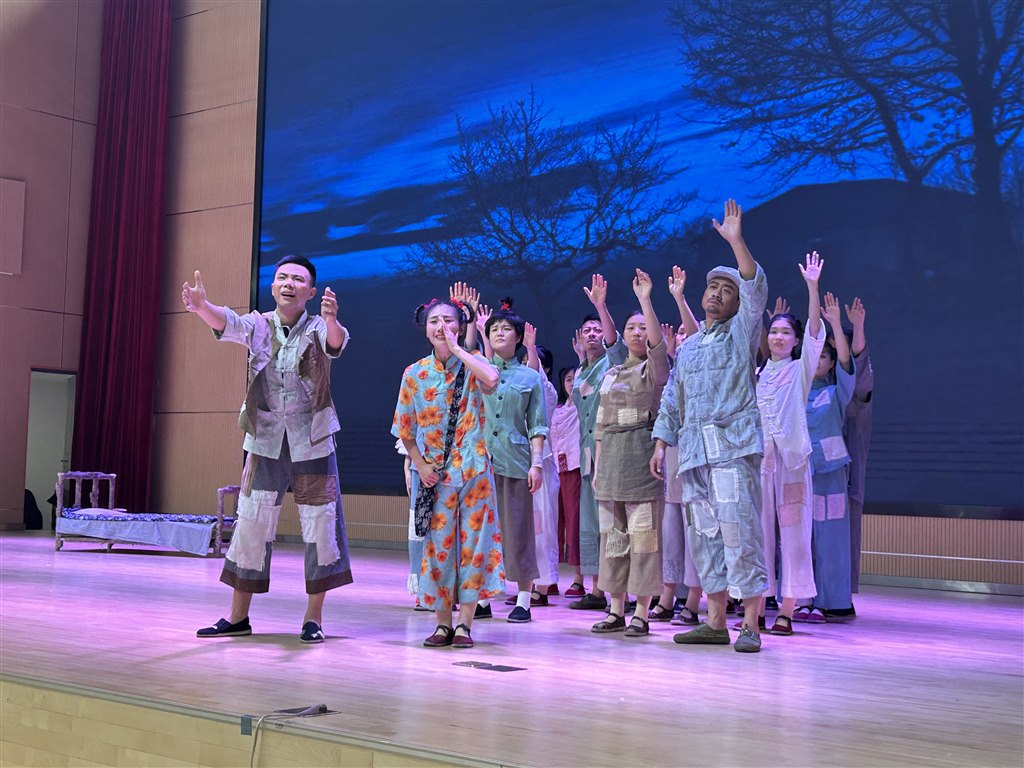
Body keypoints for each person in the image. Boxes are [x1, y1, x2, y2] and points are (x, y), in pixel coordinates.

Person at [185, 256, 353, 644]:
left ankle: (313, 618)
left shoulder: (318, 326)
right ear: (274, 287)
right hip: (264, 439)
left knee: (321, 525)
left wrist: (331, 319)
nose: (289, 283)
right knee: (251, 523)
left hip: (312, 439)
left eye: (298, 279)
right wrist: (202, 306)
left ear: (310, 291)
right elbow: (227, 323)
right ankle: (237, 617)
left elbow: (336, 341)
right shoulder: (258, 324)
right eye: (282, 278)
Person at [651, 199, 769, 653]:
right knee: (705, 537)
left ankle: (751, 623)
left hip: (731, 452)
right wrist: (661, 443)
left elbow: (755, 289)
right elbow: (672, 398)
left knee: (739, 533)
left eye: (727, 289)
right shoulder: (691, 346)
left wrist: (737, 243)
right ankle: (715, 622)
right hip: (694, 457)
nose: (717, 294)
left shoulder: (741, 333)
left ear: (737, 302)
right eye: (712, 287)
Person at [393, 298, 503, 648]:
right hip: (435, 475)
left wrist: (458, 348)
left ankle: (465, 625)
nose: (441, 326)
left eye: (449, 320)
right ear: (425, 329)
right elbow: (404, 428)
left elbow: (492, 378)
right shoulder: (414, 373)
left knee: (474, 546)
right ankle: (442, 624)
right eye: (434, 321)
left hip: (473, 470)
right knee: (438, 547)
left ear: (460, 325)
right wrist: (420, 464)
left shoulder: (473, 362)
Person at [589, 269, 670, 637]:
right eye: (631, 328)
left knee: (643, 539)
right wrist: (597, 467)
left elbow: (657, 346)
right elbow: (601, 424)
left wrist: (644, 301)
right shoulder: (612, 372)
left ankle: (642, 611)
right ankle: (615, 609)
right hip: (610, 465)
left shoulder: (655, 370)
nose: (637, 333)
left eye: (642, 328)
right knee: (614, 540)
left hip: (641, 462)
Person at [752, 252, 827, 636]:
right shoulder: (758, 373)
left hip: (793, 463)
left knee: (794, 535)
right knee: (761, 535)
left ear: (796, 341)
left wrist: (812, 287)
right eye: (774, 332)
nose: (778, 337)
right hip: (761, 464)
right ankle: (756, 608)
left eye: (785, 333)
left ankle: (787, 610)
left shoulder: (800, 369)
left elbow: (816, 332)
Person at [478, 300, 548, 623]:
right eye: (494, 329)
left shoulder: (530, 378)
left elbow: (538, 424)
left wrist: (537, 463)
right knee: (480, 530)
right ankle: (481, 597)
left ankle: (523, 599)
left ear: (518, 337)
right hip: (480, 463)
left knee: (518, 530)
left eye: (506, 329)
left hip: (516, 461)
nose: (499, 333)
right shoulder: (479, 371)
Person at [798, 292, 856, 622]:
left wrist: (834, 323)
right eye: (813, 355)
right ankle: (800, 599)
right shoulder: (792, 390)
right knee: (798, 536)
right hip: (797, 469)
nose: (818, 360)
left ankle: (831, 600)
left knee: (830, 535)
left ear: (831, 363)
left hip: (829, 471)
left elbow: (848, 365)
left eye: (824, 356)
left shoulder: (837, 391)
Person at [570, 276, 628, 611]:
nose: (592, 334)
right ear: (579, 339)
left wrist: (600, 307)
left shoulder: (612, 362)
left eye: (597, 330)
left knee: (612, 521)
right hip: (587, 455)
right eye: (587, 331)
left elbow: (612, 342)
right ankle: (596, 589)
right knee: (590, 523)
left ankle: (619, 590)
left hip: (610, 452)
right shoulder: (579, 372)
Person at [522, 334, 562, 601]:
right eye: (523, 361)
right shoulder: (521, 392)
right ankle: (528, 584)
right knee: (526, 527)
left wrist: (530, 347)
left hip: (542, 466)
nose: (526, 365)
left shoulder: (546, 391)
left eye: (531, 361)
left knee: (542, 526)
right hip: (521, 464)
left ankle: (543, 585)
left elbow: (535, 374)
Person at [843, 298, 873, 599]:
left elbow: (859, 368)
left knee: (845, 534)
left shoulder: (855, 402)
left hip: (846, 481)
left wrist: (858, 327)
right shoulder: (815, 390)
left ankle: (840, 597)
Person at [551, 366, 584, 597]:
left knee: (575, 524)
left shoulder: (580, 407)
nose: (571, 383)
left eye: (575, 379)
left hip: (575, 469)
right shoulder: (557, 410)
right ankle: (550, 579)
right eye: (568, 380)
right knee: (555, 525)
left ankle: (579, 579)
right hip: (556, 470)